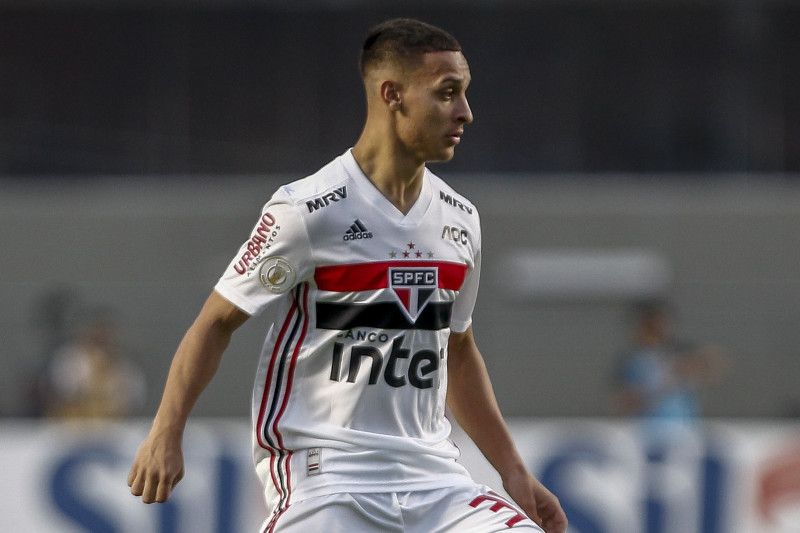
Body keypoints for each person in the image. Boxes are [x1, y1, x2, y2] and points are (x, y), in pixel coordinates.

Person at [128, 18, 567, 533]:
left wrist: (513, 471)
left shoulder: (460, 219)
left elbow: (458, 348)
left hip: (435, 480)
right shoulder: (308, 211)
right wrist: (166, 430)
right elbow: (216, 322)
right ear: (392, 95)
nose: (465, 112)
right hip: (326, 478)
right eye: (448, 93)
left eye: (465, 94)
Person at [612, 299, 726, 447]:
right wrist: (658, 387)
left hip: (684, 433)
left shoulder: (680, 352)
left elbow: (714, 365)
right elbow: (621, 405)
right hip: (647, 437)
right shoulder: (631, 361)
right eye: (649, 326)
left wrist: (689, 367)